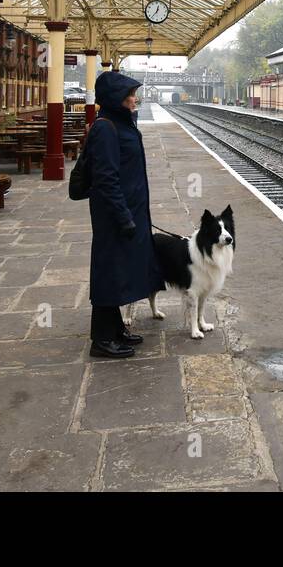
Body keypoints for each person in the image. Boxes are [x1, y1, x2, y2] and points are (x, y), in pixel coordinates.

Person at [84, 71, 164, 358]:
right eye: (129, 94)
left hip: (129, 211)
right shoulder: (106, 129)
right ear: (115, 98)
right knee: (109, 271)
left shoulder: (121, 122)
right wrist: (123, 216)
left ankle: (115, 328)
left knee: (120, 271)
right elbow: (105, 179)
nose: (134, 98)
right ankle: (102, 339)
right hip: (114, 215)